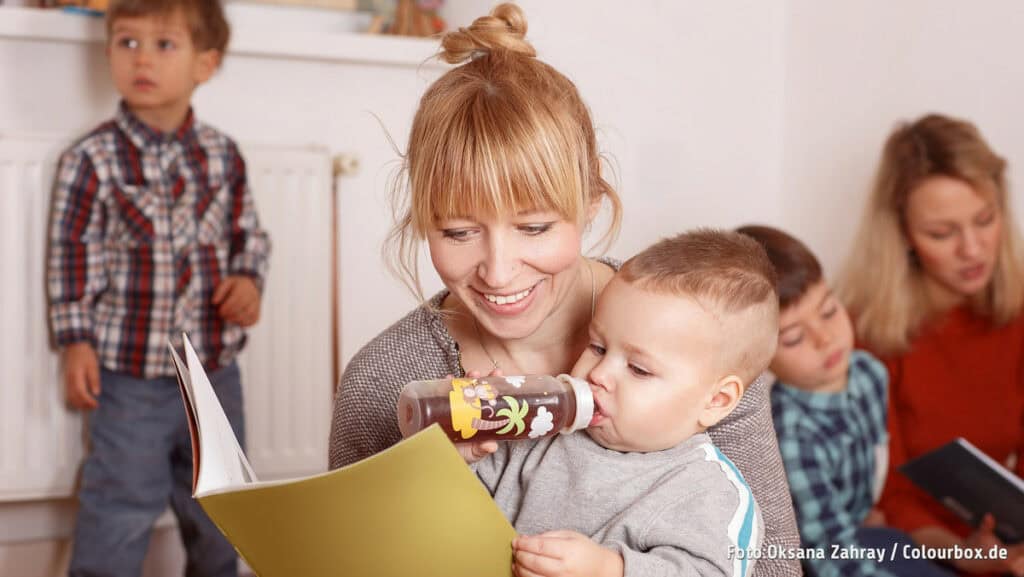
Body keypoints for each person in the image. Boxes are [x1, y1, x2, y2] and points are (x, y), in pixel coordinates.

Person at [328, 4, 801, 576]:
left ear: (591, 203)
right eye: (457, 232)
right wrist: (429, 471)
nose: (498, 273)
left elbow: (770, 564)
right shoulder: (383, 379)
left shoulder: (696, 334)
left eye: (534, 227)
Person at [46, 0, 271, 574]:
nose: (141, 58)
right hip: (130, 383)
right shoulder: (92, 159)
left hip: (214, 376)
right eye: (127, 42)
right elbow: (73, 256)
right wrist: (76, 342)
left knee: (223, 513)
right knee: (119, 509)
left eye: (164, 45)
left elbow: (249, 237)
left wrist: (248, 281)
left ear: (206, 63)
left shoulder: (224, 157)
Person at [452, 229, 773, 577]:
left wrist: (610, 570)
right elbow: (453, 510)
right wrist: (463, 452)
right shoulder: (543, 429)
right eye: (598, 347)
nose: (599, 374)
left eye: (638, 369)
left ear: (716, 401)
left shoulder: (709, 493)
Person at [840, 113, 1024, 577]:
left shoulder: (1017, 317)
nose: (973, 249)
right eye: (942, 233)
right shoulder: (864, 333)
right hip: (920, 549)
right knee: (869, 545)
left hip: (1007, 544)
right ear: (902, 234)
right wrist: (966, 552)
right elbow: (887, 496)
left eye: (985, 220)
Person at [740, 225, 955, 577]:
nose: (825, 338)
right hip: (813, 554)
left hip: (862, 532)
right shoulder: (792, 432)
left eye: (828, 311)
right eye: (794, 338)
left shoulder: (869, 372)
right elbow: (828, 552)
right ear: (759, 356)